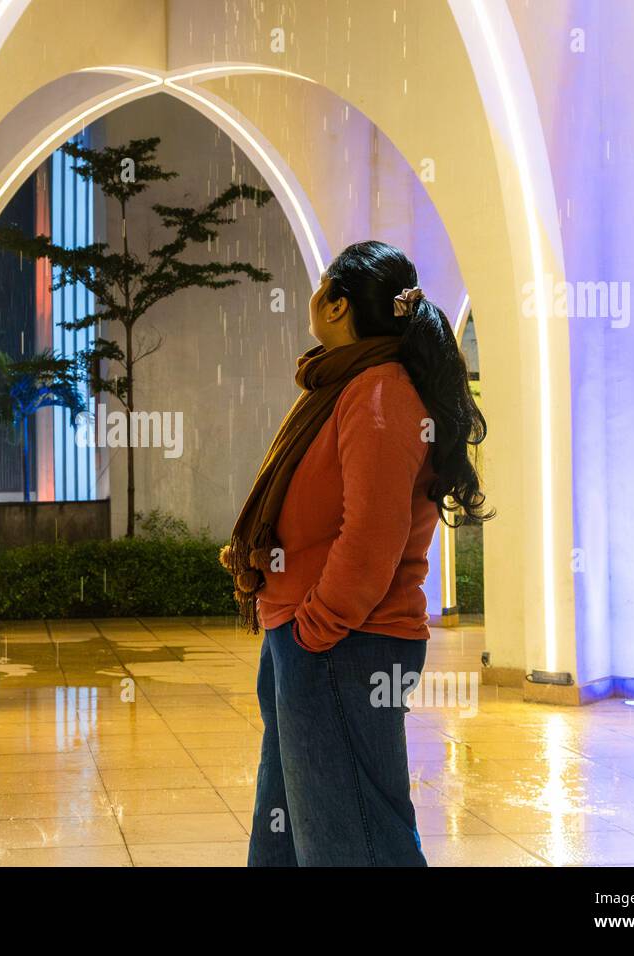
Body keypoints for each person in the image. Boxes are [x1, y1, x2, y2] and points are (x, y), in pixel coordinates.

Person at [221, 240, 491, 866]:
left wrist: (316, 630)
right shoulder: (347, 387)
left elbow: (372, 536)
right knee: (289, 834)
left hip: (343, 641)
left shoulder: (379, 392)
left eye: (322, 287)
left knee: (353, 842)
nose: (313, 297)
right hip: (305, 636)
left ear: (338, 306)